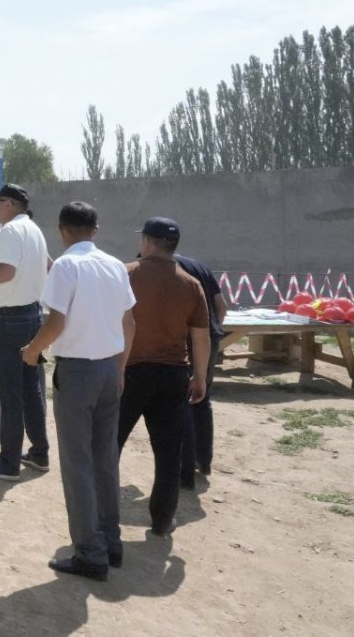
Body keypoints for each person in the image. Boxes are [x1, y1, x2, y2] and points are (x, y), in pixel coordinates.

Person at [21, 202, 136, 581]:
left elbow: (56, 321)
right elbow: (129, 323)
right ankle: (111, 541)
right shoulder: (115, 265)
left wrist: (32, 351)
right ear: (95, 230)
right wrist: (120, 368)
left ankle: (90, 552)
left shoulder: (66, 266)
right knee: (105, 458)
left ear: (62, 230)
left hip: (77, 372)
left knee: (77, 463)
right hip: (108, 368)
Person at [119, 217, 210, 537]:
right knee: (169, 452)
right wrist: (200, 377)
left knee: (109, 445)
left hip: (129, 371)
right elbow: (201, 337)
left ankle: (101, 515)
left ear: (147, 241)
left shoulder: (126, 274)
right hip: (173, 374)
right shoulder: (191, 284)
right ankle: (161, 520)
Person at [0, 183, 51, 481]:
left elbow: (6, 272)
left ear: (8, 204)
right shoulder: (34, 230)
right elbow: (49, 265)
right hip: (31, 315)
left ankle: (9, 462)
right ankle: (39, 452)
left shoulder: (11, 231)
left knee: (11, 393)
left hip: (10, 318)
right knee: (31, 389)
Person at [175, 252, 227, 486]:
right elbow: (221, 306)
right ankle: (204, 460)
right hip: (209, 337)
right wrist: (212, 333)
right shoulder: (201, 267)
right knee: (202, 398)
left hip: (186, 339)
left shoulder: (169, 268)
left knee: (181, 400)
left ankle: (184, 466)